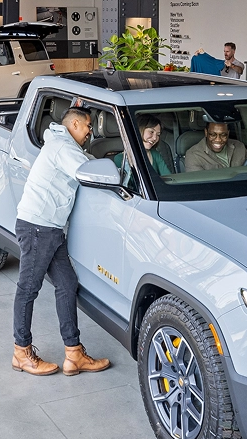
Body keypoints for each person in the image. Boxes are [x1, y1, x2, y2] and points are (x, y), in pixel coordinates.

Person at [11, 105, 111, 377]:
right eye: (89, 126)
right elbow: (86, 172)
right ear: (75, 125)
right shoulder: (62, 147)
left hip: (51, 229)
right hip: (38, 228)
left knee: (67, 284)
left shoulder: (64, 145)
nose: (90, 131)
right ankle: (21, 352)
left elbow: (84, 158)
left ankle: (74, 354)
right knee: (28, 289)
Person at [116, 114, 173, 181]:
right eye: (151, 132)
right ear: (139, 130)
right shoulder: (120, 159)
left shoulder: (155, 154)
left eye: (158, 135)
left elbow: (169, 179)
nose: (155, 138)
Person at [182, 121, 247, 171]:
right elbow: (200, 187)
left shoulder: (239, 147)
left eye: (223, 135)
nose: (218, 140)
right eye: (213, 135)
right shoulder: (194, 155)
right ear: (206, 132)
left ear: (228, 133)